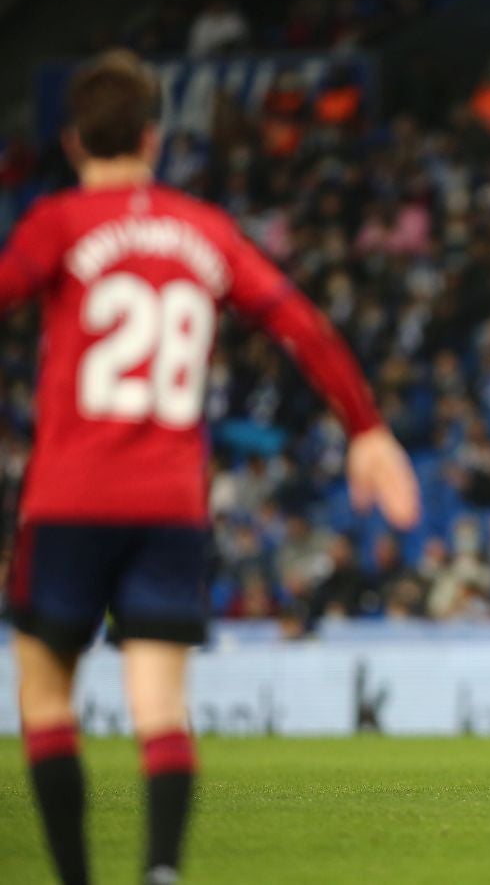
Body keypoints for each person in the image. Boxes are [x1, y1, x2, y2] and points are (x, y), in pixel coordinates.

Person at [0, 50, 420, 885]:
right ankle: (160, 871)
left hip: (70, 498)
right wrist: (365, 428)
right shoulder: (203, 230)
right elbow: (298, 320)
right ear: (155, 140)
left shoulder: (57, 223)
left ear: (74, 141)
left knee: (47, 702)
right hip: (169, 505)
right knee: (161, 708)